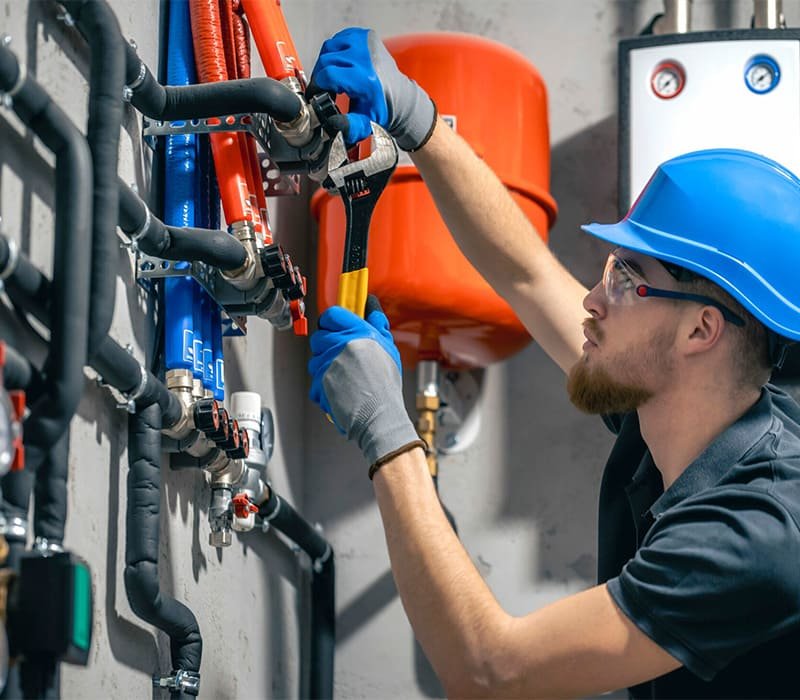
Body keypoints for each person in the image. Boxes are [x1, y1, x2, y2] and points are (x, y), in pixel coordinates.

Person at [307, 28, 800, 699]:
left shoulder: (755, 534)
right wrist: (418, 118)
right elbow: (528, 274)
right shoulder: (679, 400)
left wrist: (387, 433)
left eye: (627, 279)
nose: (594, 298)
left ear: (701, 330)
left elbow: (490, 672)